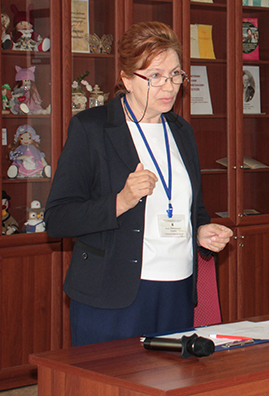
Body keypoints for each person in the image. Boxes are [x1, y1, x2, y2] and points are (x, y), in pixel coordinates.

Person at [45, 21, 233, 346]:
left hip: (177, 290)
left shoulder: (181, 131)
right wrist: (120, 201)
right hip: (113, 295)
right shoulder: (92, 129)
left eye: (175, 75)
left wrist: (201, 231)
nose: (169, 87)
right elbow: (58, 218)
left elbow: (193, 208)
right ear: (127, 79)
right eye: (155, 76)